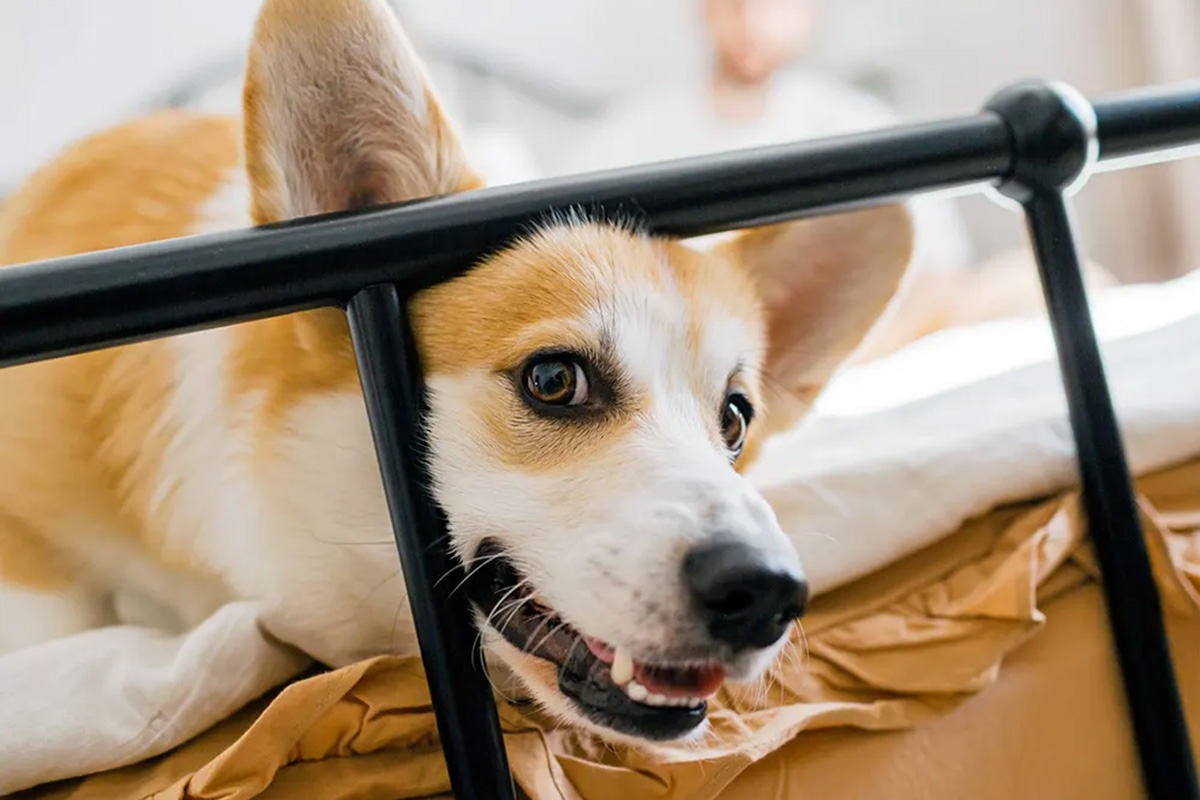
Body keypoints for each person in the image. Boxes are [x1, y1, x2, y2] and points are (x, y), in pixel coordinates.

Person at [564, 0, 974, 276]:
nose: (750, 21)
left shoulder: (864, 128)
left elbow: (941, 274)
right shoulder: (624, 139)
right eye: (733, 3)